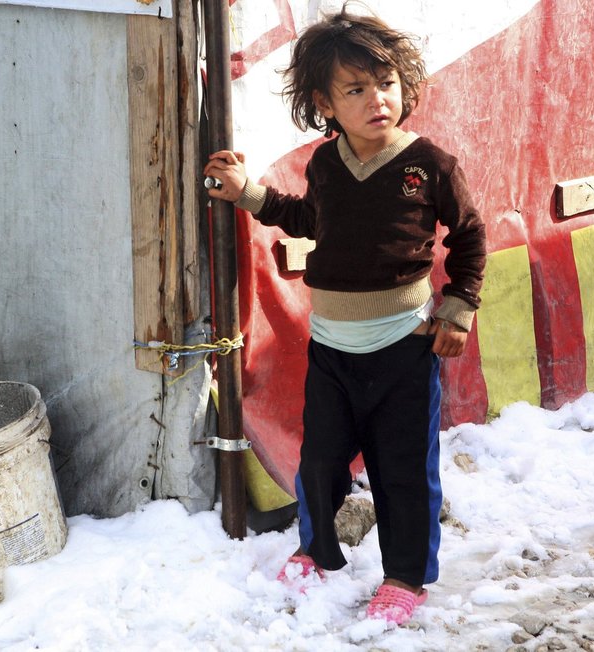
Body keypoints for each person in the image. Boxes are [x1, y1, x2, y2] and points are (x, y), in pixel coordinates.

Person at [203, 4, 486, 626]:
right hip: (332, 349)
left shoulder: (428, 165)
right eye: (355, 90)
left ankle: (406, 578)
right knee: (320, 462)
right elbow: (312, 220)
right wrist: (250, 192)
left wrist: (458, 307)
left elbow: (468, 235)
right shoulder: (327, 163)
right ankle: (317, 552)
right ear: (324, 103)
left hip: (404, 349)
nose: (376, 99)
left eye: (385, 84)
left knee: (404, 469)